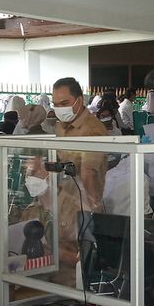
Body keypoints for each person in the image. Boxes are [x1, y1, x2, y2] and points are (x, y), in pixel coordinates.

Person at [52, 77, 108, 210]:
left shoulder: (93, 130)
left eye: (65, 103)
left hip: (83, 206)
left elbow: (88, 173)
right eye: (56, 104)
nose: (60, 108)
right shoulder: (61, 126)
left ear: (80, 100)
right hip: (63, 199)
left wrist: (91, 206)